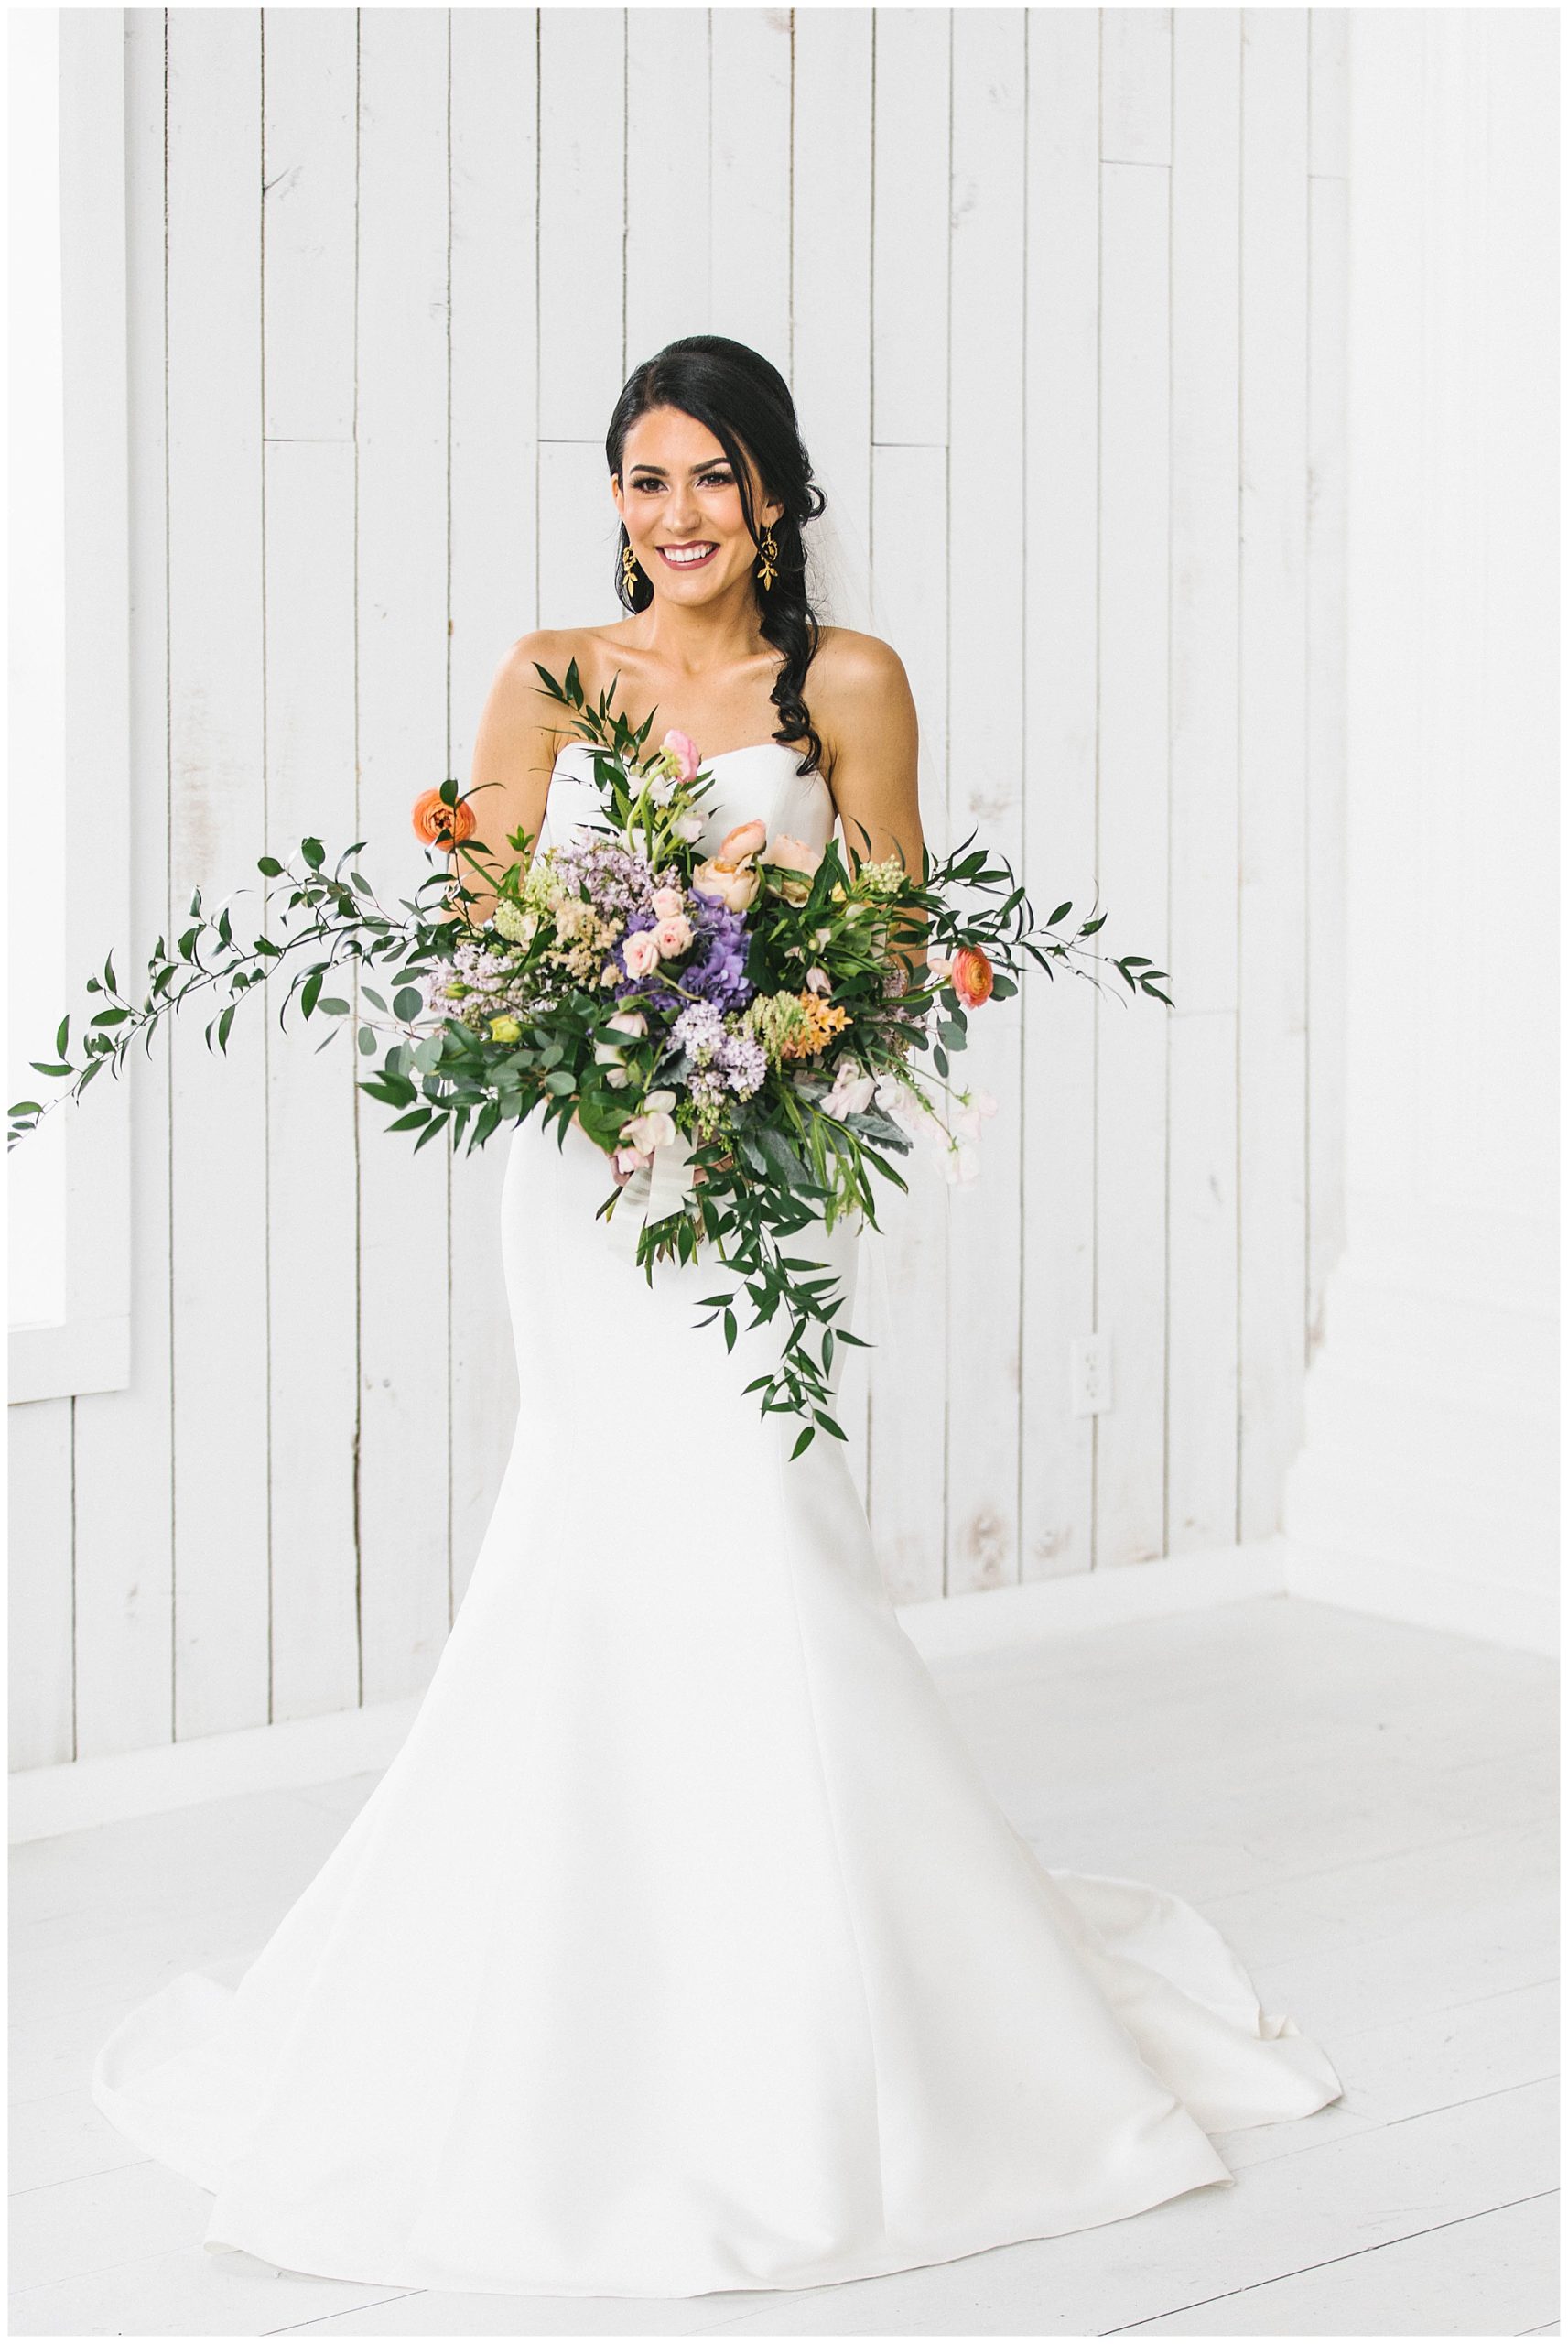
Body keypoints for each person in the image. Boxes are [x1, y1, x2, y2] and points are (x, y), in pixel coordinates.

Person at [92, 335, 1343, 2301]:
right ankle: (573, 1979)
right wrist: (598, 963)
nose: (675, 515)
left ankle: (820, 1996)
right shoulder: (547, 672)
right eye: (642, 477)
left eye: (712, 476)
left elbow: (908, 932)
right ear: (612, 495)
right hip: (586, 1181)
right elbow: (477, 913)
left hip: (755, 1166)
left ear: (775, 494)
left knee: (762, 1528)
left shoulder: (844, 683)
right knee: (586, 1543)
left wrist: (782, 969)